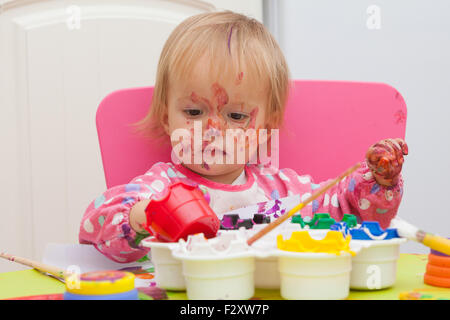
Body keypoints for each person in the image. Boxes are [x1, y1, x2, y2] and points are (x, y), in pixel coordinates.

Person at [79, 11, 408, 263]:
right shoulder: (160, 189)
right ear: (167, 118)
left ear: (266, 128)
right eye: (193, 113)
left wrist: (377, 181)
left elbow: (350, 212)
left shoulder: (284, 194)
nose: (212, 131)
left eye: (235, 116)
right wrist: (145, 215)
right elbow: (98, 226)